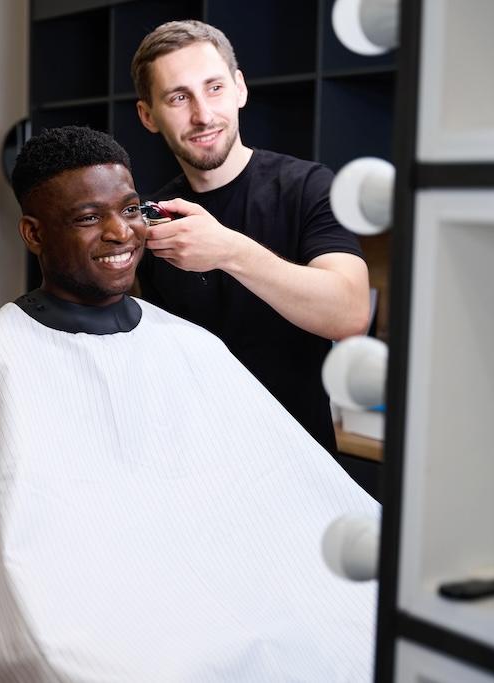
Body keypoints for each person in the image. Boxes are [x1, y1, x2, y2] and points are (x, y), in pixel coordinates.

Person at [0, 126, 378, 681]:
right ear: (33, 234)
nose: (120, 232)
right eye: (88, 218)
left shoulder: (192, 347)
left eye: (130, 210)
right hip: (71, 607)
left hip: (204, 587)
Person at [131, 20, 371, 453]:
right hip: (195, 459)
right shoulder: (153, 220)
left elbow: (350, 312)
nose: (203, 114)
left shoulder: (309, 187)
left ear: (239, 88)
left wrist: (227, 249)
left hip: (299, 460)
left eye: (214, 88)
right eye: (179, 97)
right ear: (148, 116)